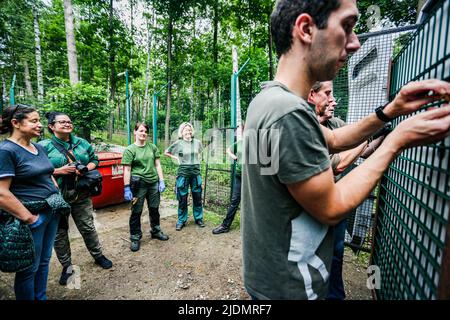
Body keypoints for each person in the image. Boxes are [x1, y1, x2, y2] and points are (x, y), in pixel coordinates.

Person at [242, 0, 450, 300]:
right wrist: (396, 140)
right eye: (348, 26)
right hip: (293, 286)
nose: (354, 43)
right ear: (306, 29)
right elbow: (332, 206)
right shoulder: (289, 113)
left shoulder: (267, 101)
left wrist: (390, 111)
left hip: (268, 276)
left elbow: (335, 140)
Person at [0, 105, 66, 300]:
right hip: (32, 216)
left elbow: (48, 173)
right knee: (29, 267)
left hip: (51, 211)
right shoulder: (6, 151)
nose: (40, 125)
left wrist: (56, 195)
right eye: (34, 121)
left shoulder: (38, 147)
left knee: (44, 261)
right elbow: (2, 193)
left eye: (39, 121)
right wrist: (29, 218)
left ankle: (41, 296)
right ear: (16, 123)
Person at [39, 112, 112, 286]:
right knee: (60, 232)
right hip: (56, 196)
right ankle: (67, 267)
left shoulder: (81, 143)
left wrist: (86, 168)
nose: (67, 124)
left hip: (81, 193)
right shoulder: (43, 146)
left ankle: (98, 255)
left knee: (87, 226)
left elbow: (95, 159)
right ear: (51, 126)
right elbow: (36, 169)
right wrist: (59, 171)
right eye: (62, 122)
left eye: (69, 121)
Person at [121, 122, 169, 252]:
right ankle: (135, 237)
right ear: (135, 132)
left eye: (145, 131)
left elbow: (158, 165)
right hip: (138, 185)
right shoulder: (130, 150)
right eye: (141, 131)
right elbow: (127, 170)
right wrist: (126, 187)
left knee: (154, 209)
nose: (143, 133)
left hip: (153, 183)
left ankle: (156, 231)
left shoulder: (152, 147)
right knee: (136, 211)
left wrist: (161, 180)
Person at [165, 122, 205, 231]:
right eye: (186, 130)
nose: (188, 132)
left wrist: (197, 161)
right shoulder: (178, 143)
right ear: (181, 132)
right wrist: (176, 158)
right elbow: (166, 152)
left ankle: (198, 218)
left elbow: (201, 153)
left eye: (190, 130)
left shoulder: (197, 143)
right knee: (182, 198)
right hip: (183, 174)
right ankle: (181, 220)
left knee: (197, 197)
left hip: (196, 174)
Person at [212, 125, 244, 235]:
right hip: (240, 176)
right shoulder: (240, 143)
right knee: (234, 201)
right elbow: (228, 150)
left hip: (253, 179)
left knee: (254, 203)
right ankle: (225, 226)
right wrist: (234, 156)